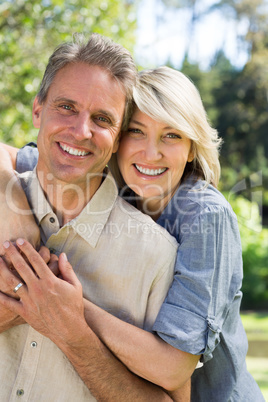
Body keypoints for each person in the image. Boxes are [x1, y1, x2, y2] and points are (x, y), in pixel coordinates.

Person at [5, 66, 264, 401]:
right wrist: (18, 216)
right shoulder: (116, 186)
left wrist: (64, 303)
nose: (151, 153)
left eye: (171, 135)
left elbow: (173, 367)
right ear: (117, 140)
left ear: (191, 147)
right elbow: (9, 155)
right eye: (136, 132)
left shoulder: (205, 216)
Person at [0, 34, 195, 402]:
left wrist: (75, 335)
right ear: (37, 109)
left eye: (102, 118)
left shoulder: (157, 256)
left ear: (119, 137)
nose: (81, 131)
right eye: (67, 107)